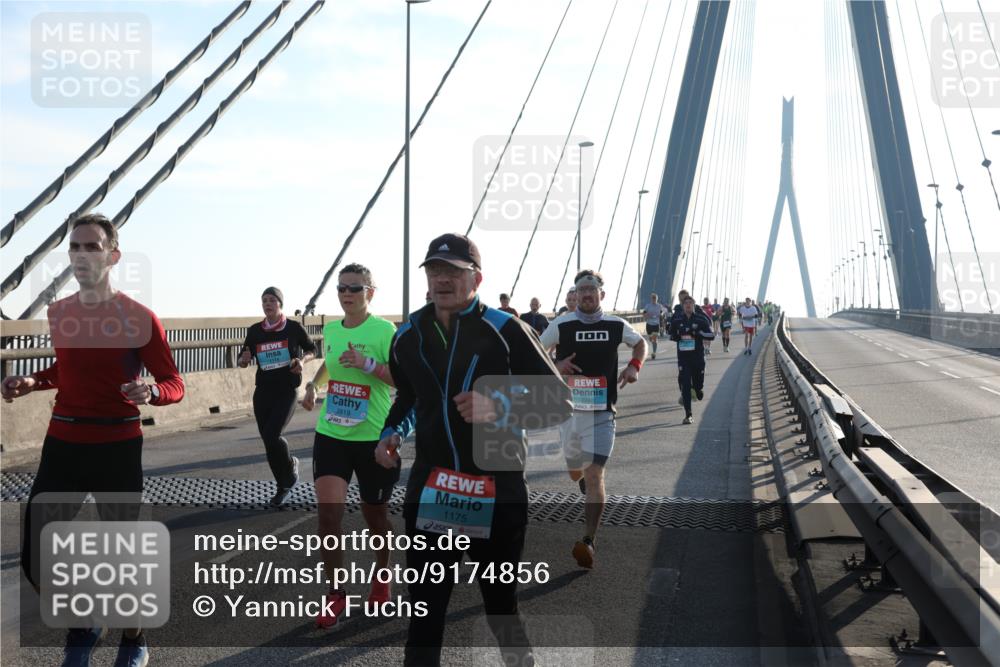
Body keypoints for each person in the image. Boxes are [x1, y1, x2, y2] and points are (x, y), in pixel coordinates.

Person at [374, 233, 572, 666]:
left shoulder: (506, 330)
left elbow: (558, 402)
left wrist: (498, 403)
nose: (442, 279)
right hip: (434, 488)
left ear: (476, 278)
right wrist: (391, 432)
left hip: (496, 488)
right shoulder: (408, 334)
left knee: (501, 606)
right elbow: (409, 398)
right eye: (434, 271)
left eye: (453, 272)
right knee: (425, 611)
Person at [3, 213, 185, 667]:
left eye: (92, 247)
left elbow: (173, 381)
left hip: (117, 446)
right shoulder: (60, 312)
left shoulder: (140, 318)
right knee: (36, 559)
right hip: (62, 442)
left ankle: (134, 640)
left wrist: (153, 392)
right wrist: (32, 382)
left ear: (113, 255)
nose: (82, 255)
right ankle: (84, 625)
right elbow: (68, 370)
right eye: (75, 247)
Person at [301, 263, 404, 628]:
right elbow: (329, 365)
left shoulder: (384, 331)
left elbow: (401, 379)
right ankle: (335, 593)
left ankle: (382, 574)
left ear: (370, 293)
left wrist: (368, 364)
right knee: (328, 517)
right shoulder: (331, 329)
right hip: (332, 433)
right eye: (342, 288)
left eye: (355, 288)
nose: (347, 294)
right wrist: (314, 385)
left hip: (372, 437)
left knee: (375, 515)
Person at [539, 270, 645, 569]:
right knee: (576, 472)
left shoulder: (616, 325)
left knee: (596, 473)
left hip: (602, 413)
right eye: (581, 289)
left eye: (591, 289)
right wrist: (556, 364)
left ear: (602, 294)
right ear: (576, 293)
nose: (586, 294)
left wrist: (634, 366)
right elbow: (535, 353)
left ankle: (588, 540)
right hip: (569, 413)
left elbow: (640, 343)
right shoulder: (561, 324)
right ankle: (582, 479)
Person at [238, 287, 317, 506]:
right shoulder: (255, 330)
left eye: (272, 300)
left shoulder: (293, 328)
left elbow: (312, 349)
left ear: (280, 304)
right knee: (268, 440)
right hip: (263, 391)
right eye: (264, 300)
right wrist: (244, 359)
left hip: (287, 390)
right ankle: (282, 485)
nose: (268, 303)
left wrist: (302, 361)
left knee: (273, 435)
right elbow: (243, 359)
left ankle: (290, 468)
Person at [668, 295, 715, 424]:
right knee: (685, 385)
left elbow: (711, 335)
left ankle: (698, 388)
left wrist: (698, 334)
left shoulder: (700, 319)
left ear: (694, 305)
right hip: (684, 358)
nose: (688, 305)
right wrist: (676, 336)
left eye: (690, 303)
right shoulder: (677, 319)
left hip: (698, 357)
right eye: (685, 303)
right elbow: (670, 334)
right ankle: (688, 414)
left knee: (698, 385)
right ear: (682, 306)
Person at [642, 293, 669, 360]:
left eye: (655, 298)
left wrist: (661, 314)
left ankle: (654, 352)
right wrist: (646, 315)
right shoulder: (648, 306)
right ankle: (653, 345)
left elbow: (665, 311)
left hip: (656, 325)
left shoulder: (659, 306)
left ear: (657, 299)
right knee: (651, 339)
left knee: (654, 339)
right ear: (651, 299)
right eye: (653, 298)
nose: (654, 299)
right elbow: (644, 312)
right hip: (649, 324)